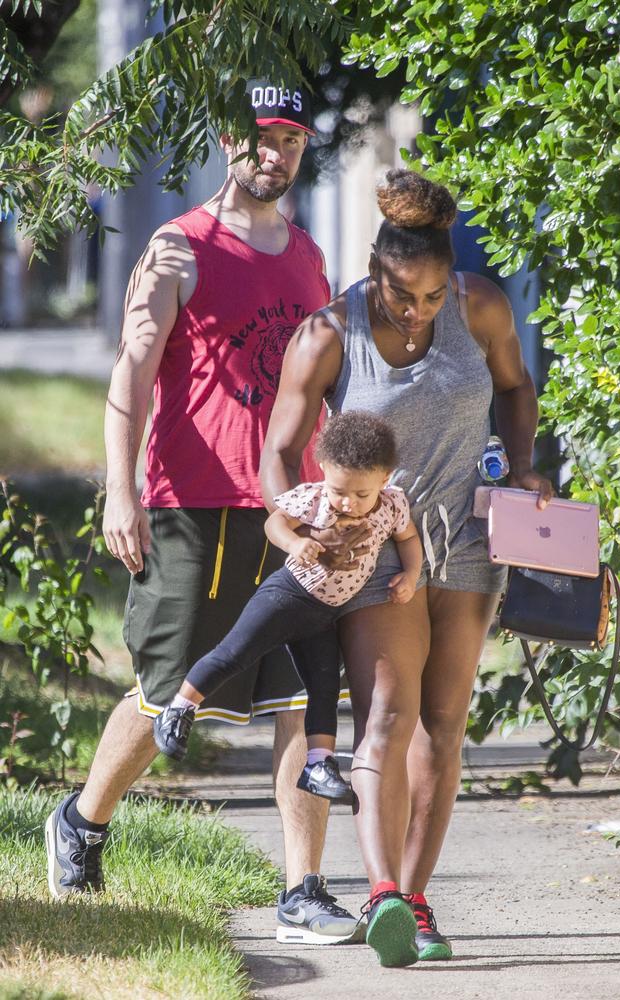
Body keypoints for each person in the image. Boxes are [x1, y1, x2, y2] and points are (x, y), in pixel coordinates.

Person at [45, 78, 366, 944]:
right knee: (165, 690)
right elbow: (132, 373)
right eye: (262, 137)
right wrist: (122, 489)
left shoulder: (309, 257)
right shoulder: (176, 248)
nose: (275, 152)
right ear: (230, 140)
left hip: (293, 506)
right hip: (196, 502)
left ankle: (303, 890)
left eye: (291, 140)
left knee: (305, 694)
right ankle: (82, 820)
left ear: (303, 149)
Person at [260, 167, 554, 967]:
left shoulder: (481, 305)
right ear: (376, 271)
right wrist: (305, 532)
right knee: (386, 715)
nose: (417, 311)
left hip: (467, 537)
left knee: (444, 723)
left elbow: (516, 387)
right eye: (402, 297)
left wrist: (524, 467)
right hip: (375, 547)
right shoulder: (330, 331)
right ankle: (382, 891)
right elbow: (278, 453)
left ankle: (417, 903)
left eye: (430, 298)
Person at [152, 411, 422, 818]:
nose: (348, 501)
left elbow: (409, 538)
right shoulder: (313, 498)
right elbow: (275, 523)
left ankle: (318, 763)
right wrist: (296, 544)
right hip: (289, 596)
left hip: (326, 614)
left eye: (361, 494)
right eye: (339, 489)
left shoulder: (393, 504)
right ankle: (179, 710)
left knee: (325, 685)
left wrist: (411, 572)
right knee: (235, 652)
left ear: (385, 480)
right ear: (325, 472)